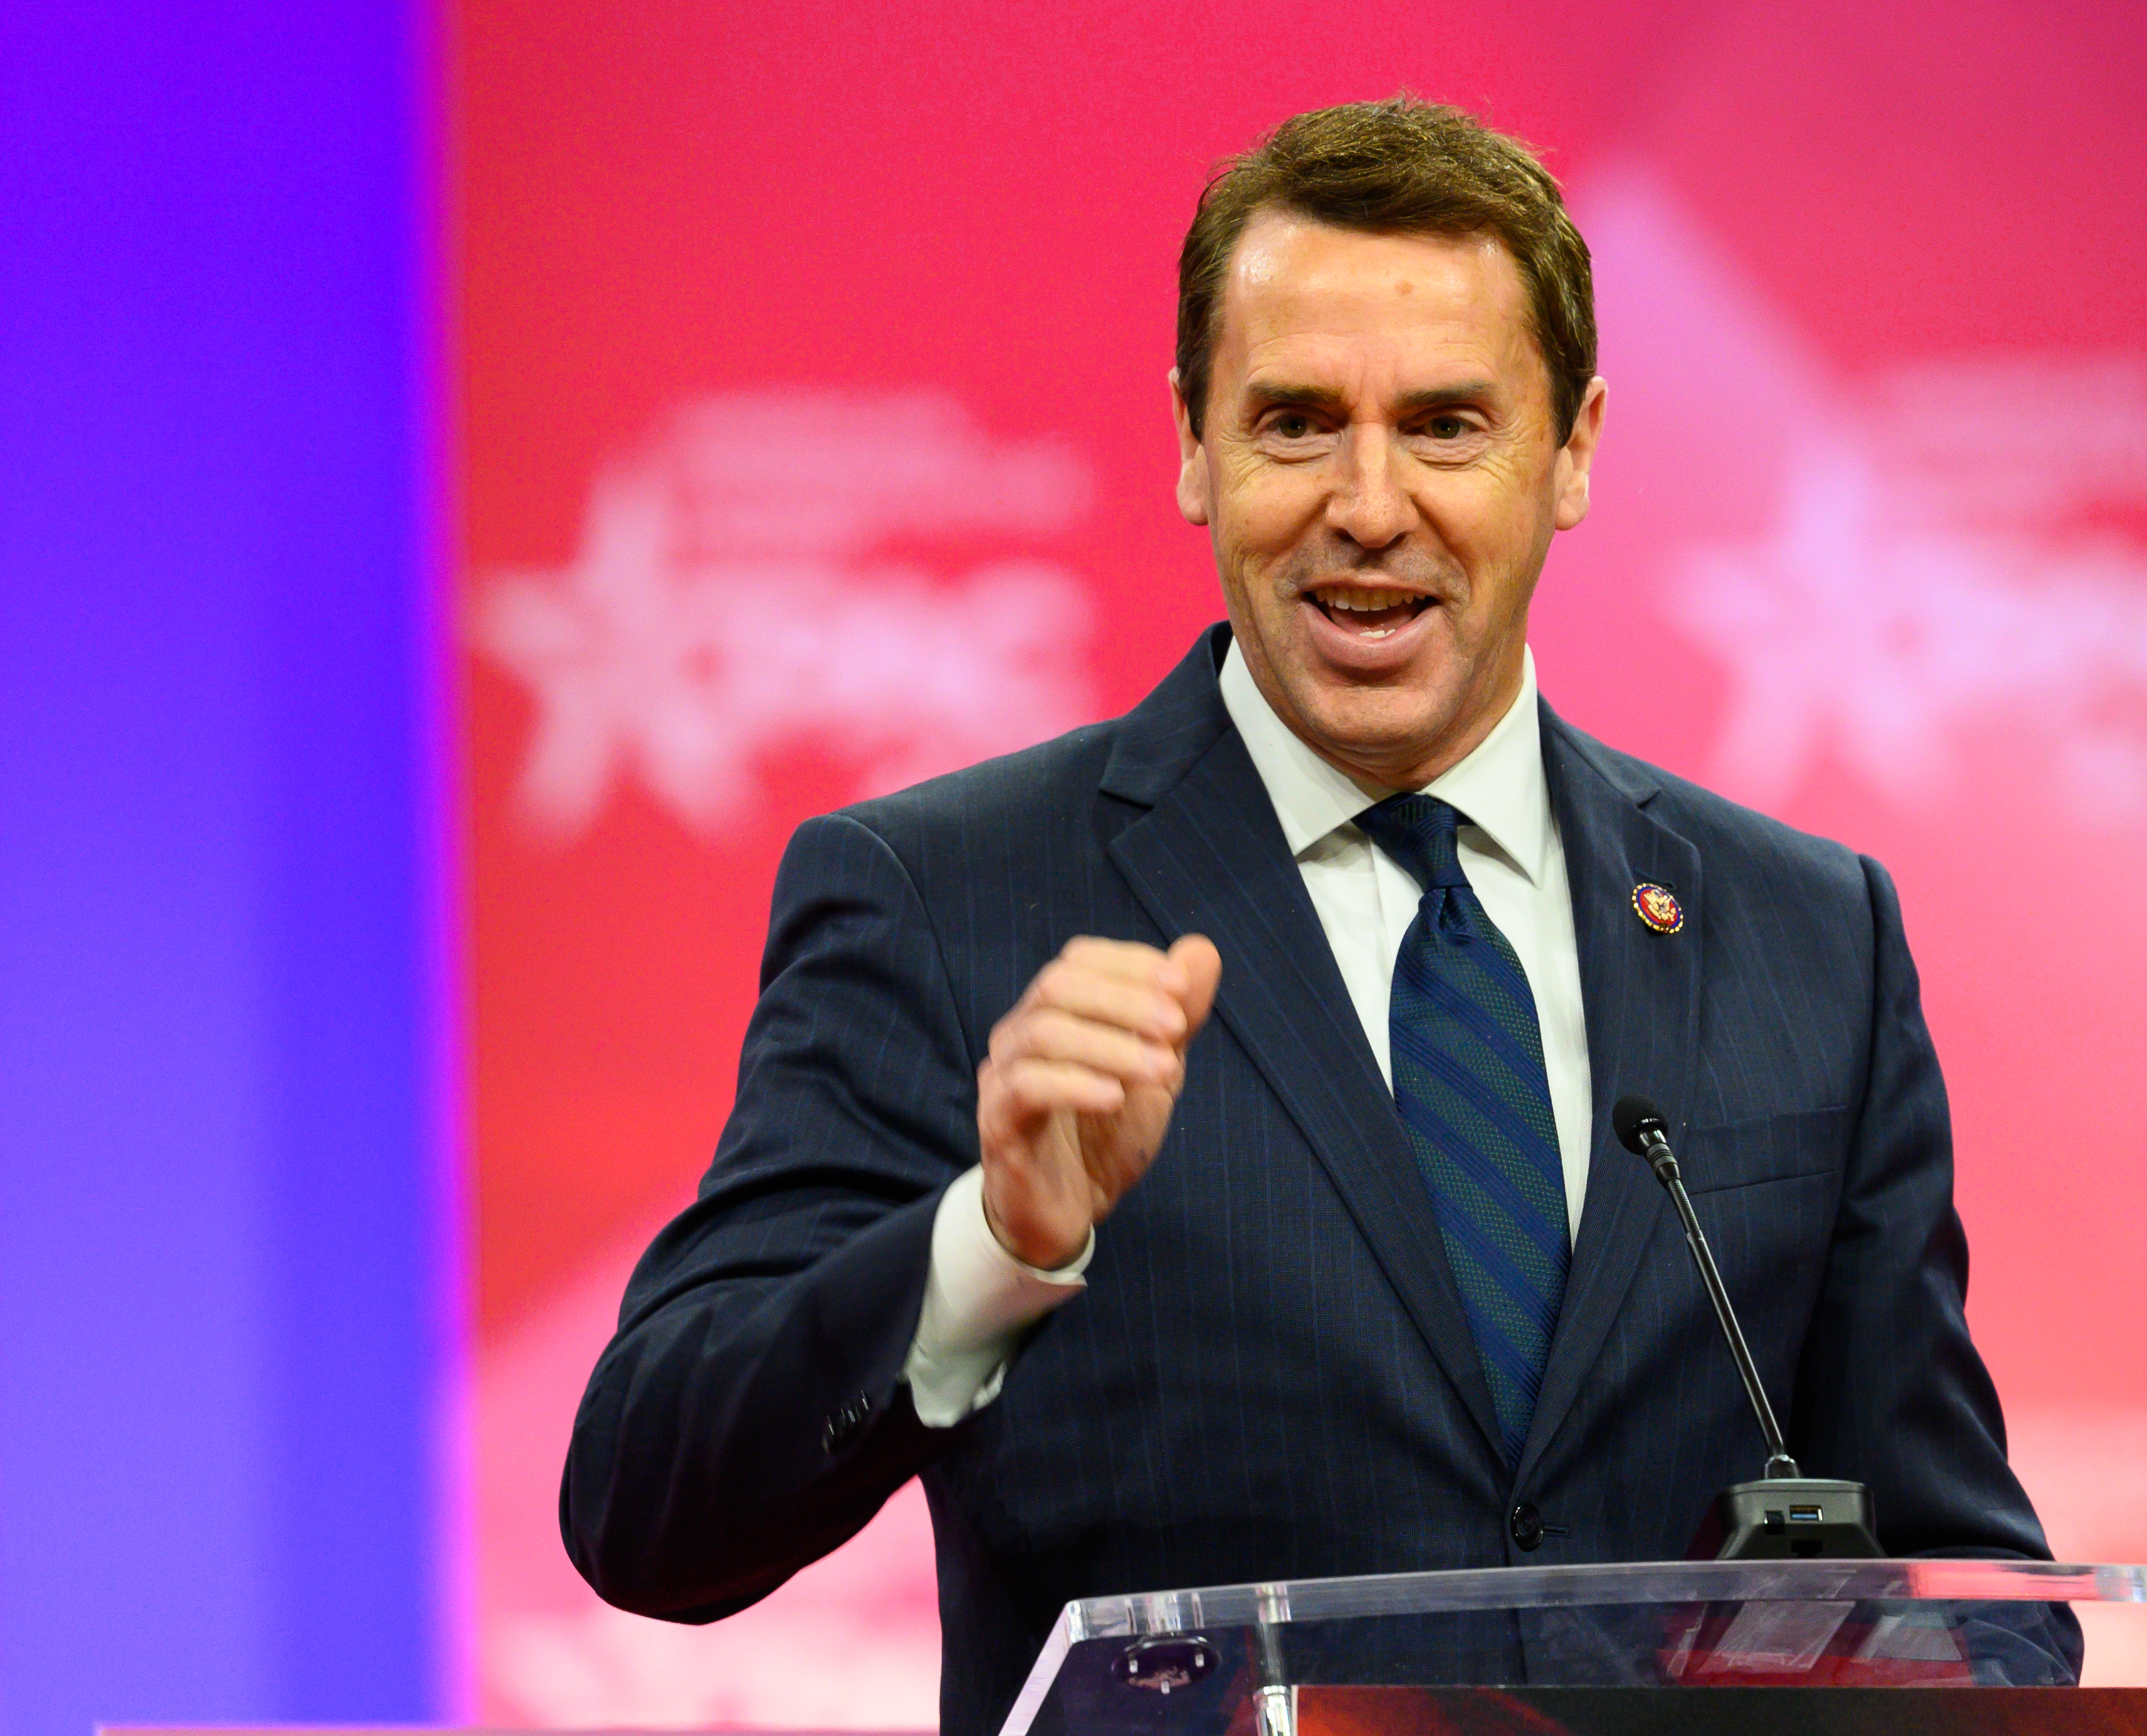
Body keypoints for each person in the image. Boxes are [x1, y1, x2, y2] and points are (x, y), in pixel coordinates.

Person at [563, 97, 2060, 1734]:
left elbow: (1965, 1586)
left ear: (1569, 452)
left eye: (1443, 424)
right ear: (1193, 445)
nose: (1366, 501)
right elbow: (648, 1506)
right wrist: (992, 1243)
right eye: (1293, 422)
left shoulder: (1805, 934)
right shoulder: (944, 899)